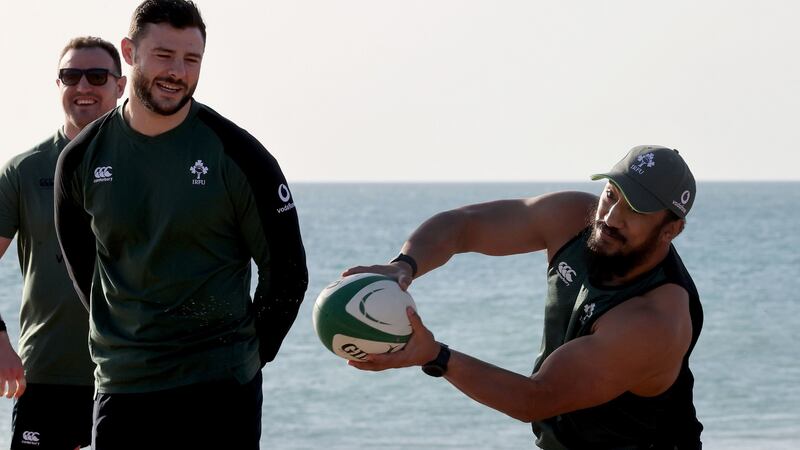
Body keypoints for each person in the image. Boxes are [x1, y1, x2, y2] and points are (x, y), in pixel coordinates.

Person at [53, 1, 308, 449]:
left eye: (192, 60)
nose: (178, 72)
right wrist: (123, 339)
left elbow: (287, 272)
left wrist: (248, 355)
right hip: (124, 384)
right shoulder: (79, 160)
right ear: (130, 52)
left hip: (220, 385)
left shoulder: (239, 155)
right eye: (164, 55)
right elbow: (82, 268)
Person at [345, 145, 704, 449]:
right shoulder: (571, 219)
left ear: (670, 230)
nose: (610, 217)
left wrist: (435, 356)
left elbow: (536, 399)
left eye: (635, 210)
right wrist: (405, 265)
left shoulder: (654, 321)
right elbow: (464, 225)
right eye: (611, 195)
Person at [0, 36, 126, 450]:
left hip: (133, 375)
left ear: (121, 85)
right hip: (46, 375)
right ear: (58, 85)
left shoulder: (149, 164)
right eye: (71, 76)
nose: (84, 86)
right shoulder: (23, 169)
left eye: (97, 75)